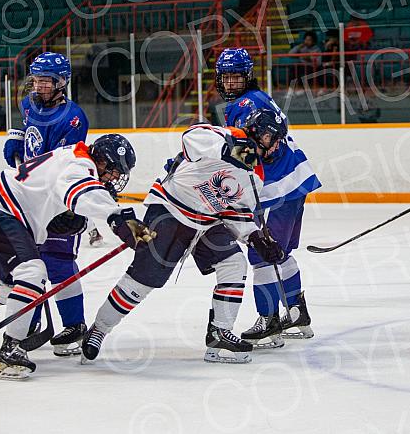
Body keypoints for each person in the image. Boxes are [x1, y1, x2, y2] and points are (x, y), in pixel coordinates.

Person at [0, 135, 153, 379]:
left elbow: (71, 199)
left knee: (9, 288)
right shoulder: (80, 166)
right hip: (5, 212)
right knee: (32, 273)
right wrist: (118, 216)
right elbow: (79, 192)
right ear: (102, 160)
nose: (114, 178)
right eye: (113, 171)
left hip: (2, 210)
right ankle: (10, 350)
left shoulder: (75, 157)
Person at [80, 123, 284, 364]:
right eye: (272, 137)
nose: (275, 145)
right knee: (144, 279)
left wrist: (255, 238)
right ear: (258, 134)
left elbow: (235, 214)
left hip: (207, 223)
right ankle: (100, 329)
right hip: (170, 209)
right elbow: (190, 138)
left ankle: (220, 332)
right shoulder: (228, 136)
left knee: (235, 264)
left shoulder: (256, 177)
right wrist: (228, 150)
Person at [219, 48, 321, 348]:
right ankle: (297, 313)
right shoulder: (259, 97)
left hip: (276, 189)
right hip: (294, 182)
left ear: (247, 75)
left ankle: (269, 321)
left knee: (262, 255)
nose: (230, 83)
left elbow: (246, 153)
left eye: (236, 77)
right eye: (225, 77)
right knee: (279, 252)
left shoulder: (245, 105)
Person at [2, 52, 102, 357]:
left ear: (61, 83)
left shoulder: (73, 118)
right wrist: (15, 139)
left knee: (58, 261)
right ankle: (28, 323)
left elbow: (61, 165)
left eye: (46, 81)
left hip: (58, 200)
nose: (39, 86)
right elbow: (24, 125)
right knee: (29, 264)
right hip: (30, 197)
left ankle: (74, 325)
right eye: (36, 80)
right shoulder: (29, 103)